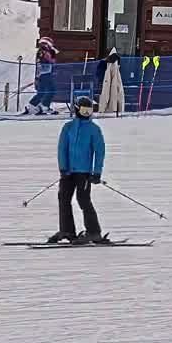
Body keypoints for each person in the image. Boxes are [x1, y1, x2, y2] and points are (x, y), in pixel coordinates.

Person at [48, 97, 108, 244]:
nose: (86, 114)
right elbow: (62, 149)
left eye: (89, 111)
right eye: (84, 110)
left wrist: (97, 172)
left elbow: (99, 152)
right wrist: (63, 167)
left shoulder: (94, 130)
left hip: (84, 172)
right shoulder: (68, 128)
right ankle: (67, 230)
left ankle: (94, 232)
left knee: (83, 199)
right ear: (76, 109)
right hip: (68, 171)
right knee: (63, 198)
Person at [28, 35, 58, 113]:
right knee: (51, 90)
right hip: (45, 74)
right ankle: (43, 106)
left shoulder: (43, 51)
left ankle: (33, 105)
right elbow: (51, 61)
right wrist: (53, 55)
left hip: (44, 74)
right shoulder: (43, 52)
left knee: (42, 92)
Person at [97, 50, 126, 115]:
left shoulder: (116, 65)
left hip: (111, 84)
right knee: (105, 94)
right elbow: (99, 74)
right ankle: (104, 109)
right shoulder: (102, 63)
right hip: (104, 82)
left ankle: (110, 108)